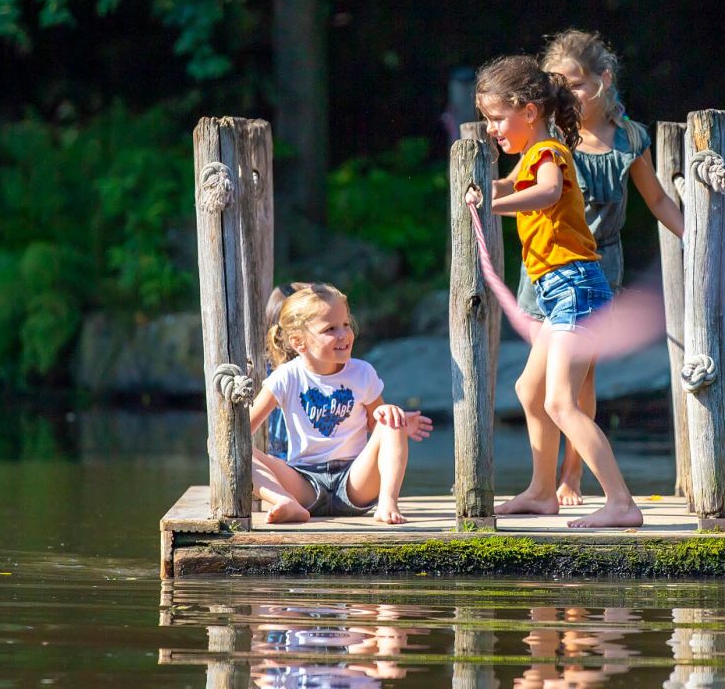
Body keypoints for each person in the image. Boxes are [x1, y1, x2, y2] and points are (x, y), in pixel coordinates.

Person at [465, 54, 643, 529]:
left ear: (529, 111)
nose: (494, 130)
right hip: (557, 290)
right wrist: (485, 182)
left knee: (560, 401)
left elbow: (545, 193)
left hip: (578, 288)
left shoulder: (549, 153)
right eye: (487, 120)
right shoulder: (529, 156)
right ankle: (543, 492)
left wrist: (495, 202)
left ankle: (621, 502)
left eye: (498, 119)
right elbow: (506, 183)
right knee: (530, 389)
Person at [521, 29, 685, 506]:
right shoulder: (549, 137)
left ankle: (572, 476)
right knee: (543, 384)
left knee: (579, 379)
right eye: (558, 85)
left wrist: (701, 239)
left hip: (595, 273)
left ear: (602, 80)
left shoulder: (629, 139)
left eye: (574, 84)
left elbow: (656, 199)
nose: (566, 95)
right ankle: (541, 485)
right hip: (546, 271)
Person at [247, 282, 429, 525]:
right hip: (304, 484)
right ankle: (283, 501)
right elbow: (241, 431)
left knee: (390, 421)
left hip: (354, 481)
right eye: (330, 329)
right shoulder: (285, 376)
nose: (344, 334)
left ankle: (388, 502)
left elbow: (379, 426)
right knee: (232, 448)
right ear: (299, 342)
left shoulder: (362, 373)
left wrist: (395, 417)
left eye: (345, 324)